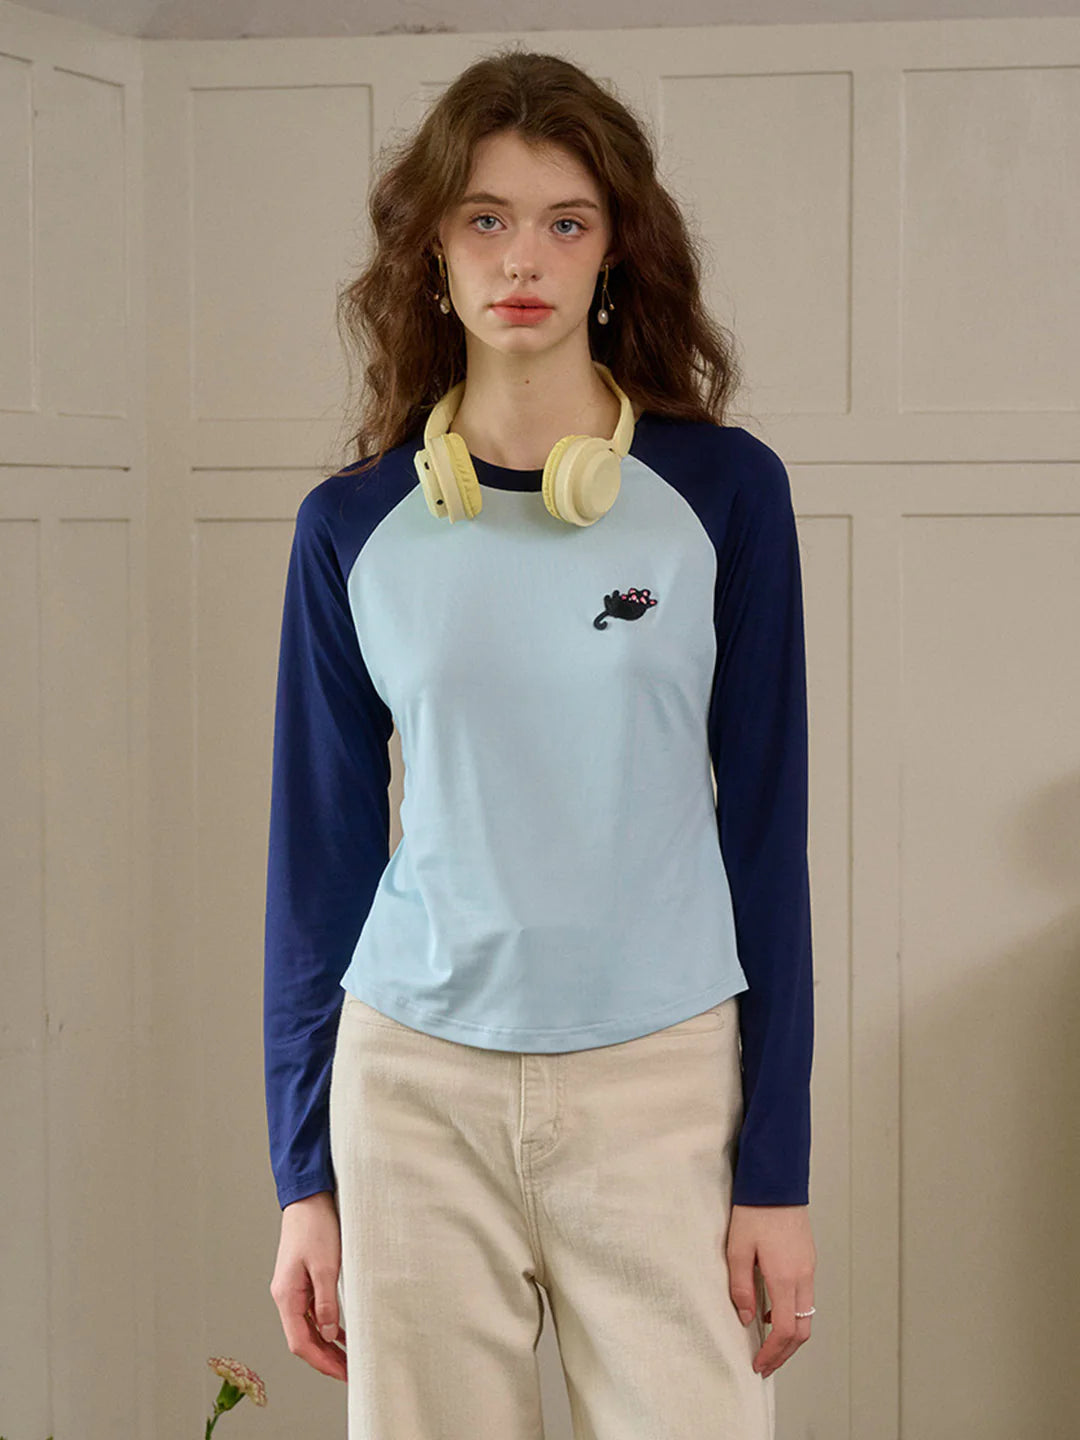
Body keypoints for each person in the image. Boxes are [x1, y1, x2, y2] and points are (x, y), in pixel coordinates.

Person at [265, 46, 816, 1439]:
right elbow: (320, 865)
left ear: (615, 250)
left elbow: (768, 832)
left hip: (663, 1082)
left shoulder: (726, 496)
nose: (524, 259)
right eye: (485, 219)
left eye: (566, 221)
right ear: (432, 250)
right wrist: (302, 1178)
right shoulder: (349, 529)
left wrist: (777, 1169)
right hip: (413, 1092)